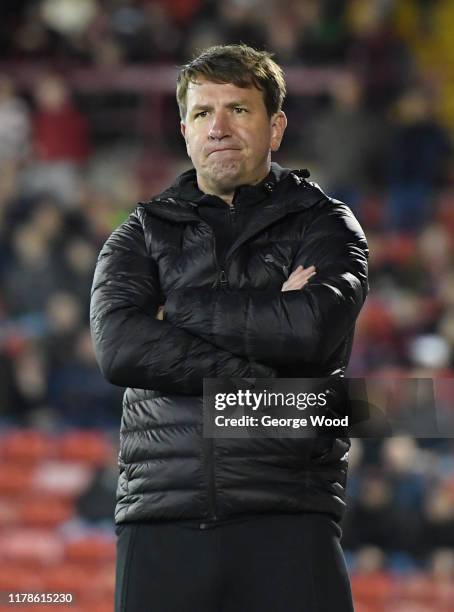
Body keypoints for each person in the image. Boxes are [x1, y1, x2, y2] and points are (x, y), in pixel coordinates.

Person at [90, 44, 369, 612]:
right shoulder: (138, 232)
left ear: (276, 127)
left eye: (238, 110)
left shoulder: (325, 223)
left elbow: (310, 330)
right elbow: (120, 348)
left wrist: (179, 308)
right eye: (201, 113)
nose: (218, 127)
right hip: (161, 518)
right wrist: (258, 365)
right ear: (184, 130)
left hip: (290, 515)